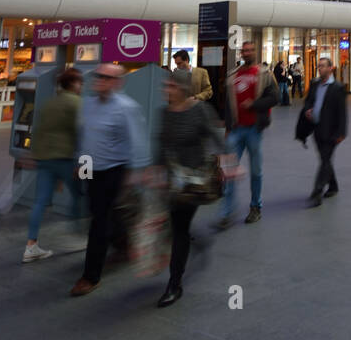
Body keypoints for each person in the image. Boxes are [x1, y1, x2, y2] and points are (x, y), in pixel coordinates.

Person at [71, 63, 148, 296]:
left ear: (117, 83)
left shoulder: (126, 108)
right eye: (97, 76)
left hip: (115, 171)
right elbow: (85, 137)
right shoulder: (88, 104)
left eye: (105, 77)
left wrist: (135, 173)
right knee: (102, 212)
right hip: (91, 168)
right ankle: (124, 243)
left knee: (98, 221)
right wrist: (80, 164)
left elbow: (137, 141)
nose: (99, 80)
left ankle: (90, 276)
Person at [155, 68, 227, 307]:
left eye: (171, 86)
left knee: (179, 227)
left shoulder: (199, 111)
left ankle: (174, 284)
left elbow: (216, 137)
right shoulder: (164, 112)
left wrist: (229, 161)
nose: (167, 90)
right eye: (166, 86)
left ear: (184, 89)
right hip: (172, 177)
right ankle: (199, 241)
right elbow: (161, 141)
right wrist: (153, 168)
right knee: (176, 226)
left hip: (193, 180)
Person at [23, 66, 84, 263]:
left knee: (40, 201)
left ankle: (31, 245)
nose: (82, 86)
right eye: (80, 82)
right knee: (81, 194)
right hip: (67, 158)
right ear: (74, 83)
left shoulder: (50, 102)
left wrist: (34, 155)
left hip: (44, 159)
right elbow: (81, 133)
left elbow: (38, 131)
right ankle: (79, 235)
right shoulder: (76, 103)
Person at [216, 41, 278, 229]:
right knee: (229, 171)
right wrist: (227, 126)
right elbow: (227, 102)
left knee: (255, 171)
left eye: (251, 50)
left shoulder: (264, 74)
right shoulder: (232, 76)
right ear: (241, 53)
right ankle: (227, 212)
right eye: (245, 51)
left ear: (255, 52)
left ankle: (255, 207)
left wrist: (254, 104)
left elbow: (275, 98)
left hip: (254, 129)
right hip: (236, 129)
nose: (248, 53)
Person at [301, 57, 348, 207]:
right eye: (319, 66)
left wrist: (341, 132)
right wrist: (308, 109)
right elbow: (308, 100)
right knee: (325, 159)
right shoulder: (314, 84)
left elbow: (342, 112)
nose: (319, 68)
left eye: (322, 66)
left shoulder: (337, 88)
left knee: (325, 159)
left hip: (332, 131)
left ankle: (317, 191)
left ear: (330, 68)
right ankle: (333, 186)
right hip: (317, 128)